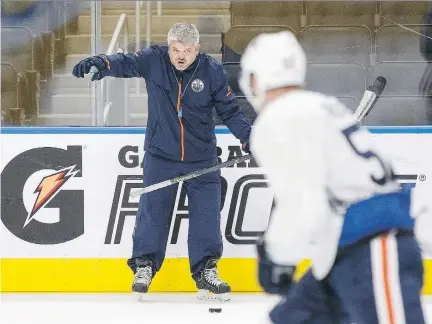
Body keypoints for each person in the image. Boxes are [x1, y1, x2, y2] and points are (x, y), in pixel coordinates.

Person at [239, 31, 430, 323]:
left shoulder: (278, 118)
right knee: (296, 317)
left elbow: (302, 203)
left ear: (255, 77)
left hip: (376, 247)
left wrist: (277, 253)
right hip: (345, 250)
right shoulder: (321, 106)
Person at [72, 23, 252, 301]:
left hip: (201, 158)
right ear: (169, 47)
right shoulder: (155, 59)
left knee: (206, 215)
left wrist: (248, 136)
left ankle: (206, 270)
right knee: (152, 212)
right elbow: (126, 63)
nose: (180, 56)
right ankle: (144, 265)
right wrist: (102, 62)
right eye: (176, 50)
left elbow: (230, 110)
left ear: (198, 50)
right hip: (160, 155)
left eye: (187, 51)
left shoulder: (212, 71)